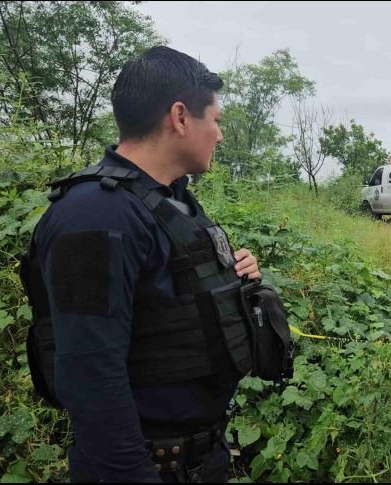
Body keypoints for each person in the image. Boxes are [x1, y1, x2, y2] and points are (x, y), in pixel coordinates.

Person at [21, 46, 263, 482]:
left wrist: (234, 275)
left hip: (200, 459)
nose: (220, 135)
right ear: (180, 117)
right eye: (217, 120)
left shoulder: (168, 202)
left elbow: (172, 305)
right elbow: (90, 377)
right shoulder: (95, 213)